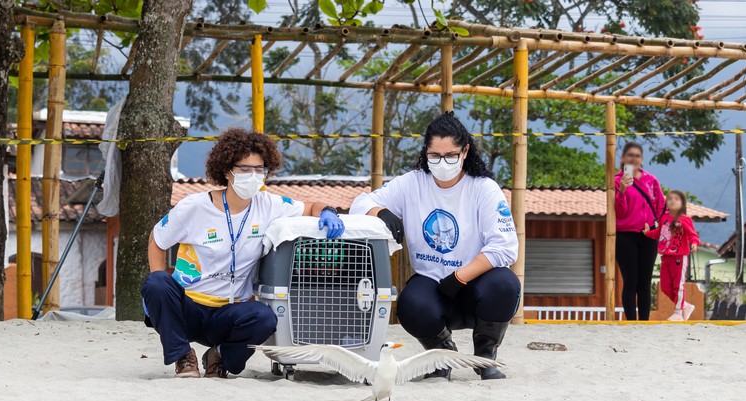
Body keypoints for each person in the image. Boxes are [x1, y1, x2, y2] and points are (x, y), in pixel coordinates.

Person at [142, 128, 345, 378]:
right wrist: (159, 296)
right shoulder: (193, 207)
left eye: (260, 170)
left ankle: (219, 356)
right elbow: (157, 239)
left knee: (264, 318)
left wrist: (329, 213)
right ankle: (184, 356)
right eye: (245, 169)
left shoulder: (269, 206)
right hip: (189, 307)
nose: (254, 176)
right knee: (156, 283)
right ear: (227, 171)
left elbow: (314, 206)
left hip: (230, 311)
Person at [349, 112, 519, 380]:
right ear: (425, 153)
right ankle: (442, 355)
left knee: (505, 284)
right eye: (434, 156)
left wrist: (460, 277)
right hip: (433, 285)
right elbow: (359, 203)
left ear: (465, 151)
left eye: (450, 155)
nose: (442, 163)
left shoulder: (483, 188)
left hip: (476, 285)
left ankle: (484, 358)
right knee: (410, 303)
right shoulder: (412, 183)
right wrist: (381, 212)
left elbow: (505, 248)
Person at [615, 141, 665, 321]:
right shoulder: (616, 180)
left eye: (637, 156)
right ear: (623, 158)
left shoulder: (651, 181)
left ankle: (644, 321)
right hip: (625, 236)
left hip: (648, 236)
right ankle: (630, 321)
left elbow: (660, 207)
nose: (633, 158)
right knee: (630, 281)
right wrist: (622, 190)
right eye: (630, 155)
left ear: (642, 159)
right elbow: (620, 212)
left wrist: (657, 227)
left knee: (645, 281)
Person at [644, 190, 699, 321]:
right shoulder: (664, 218)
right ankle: (685, 305)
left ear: (682, 204)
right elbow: (659, 233)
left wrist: (694, 243)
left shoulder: (685, 219)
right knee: (665, 287)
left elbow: (692, 234)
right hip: (666, 257)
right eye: (670, 199)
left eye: (676, 199)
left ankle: (678, 312)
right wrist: (647, 233)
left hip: (679, 257)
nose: (673, 201)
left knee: (678, 286)